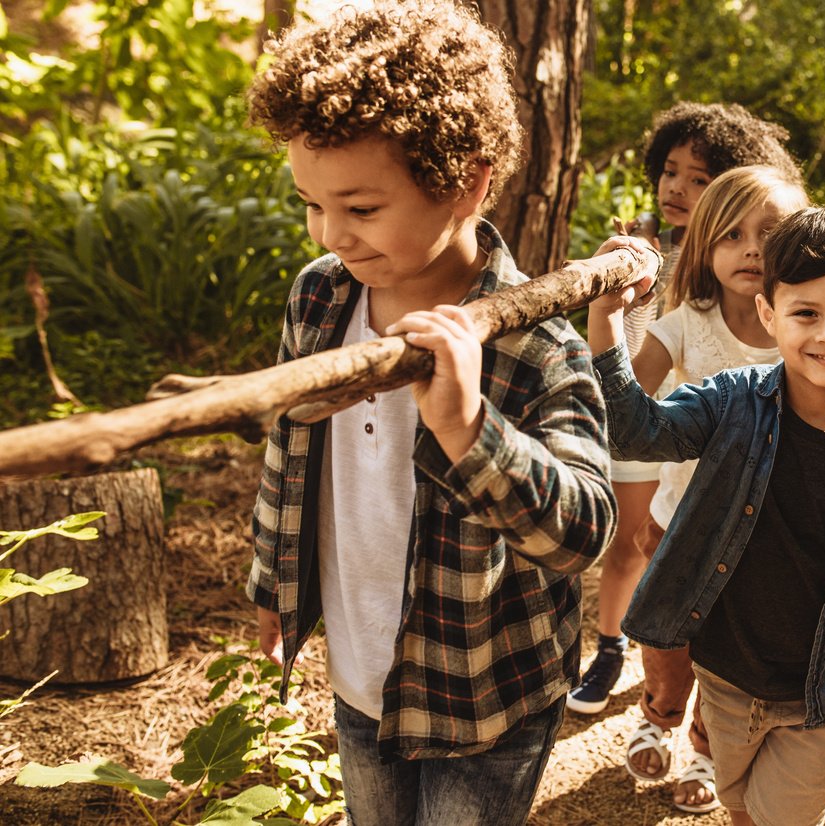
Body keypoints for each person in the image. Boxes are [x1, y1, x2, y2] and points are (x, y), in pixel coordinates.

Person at [243, 3, 616, 824]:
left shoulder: (534, 345)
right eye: (312, 203)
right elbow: (290, 442)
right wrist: (275, 578)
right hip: (361, 668)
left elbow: (584, 532)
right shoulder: (319, 296)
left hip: (487, 692)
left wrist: (467, 426)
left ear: (469, 181)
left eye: (362, 209)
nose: (333, 232)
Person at [590, 205, 825, 826]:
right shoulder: (732, 404)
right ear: (770, 315)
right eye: (806, 313)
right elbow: (635, 433)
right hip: (726, 673)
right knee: (741, 805)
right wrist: (609, 317)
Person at [570, 102, 804, 730]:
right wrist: (611, 303)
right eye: (670, 171)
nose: (678, 187)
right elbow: (626, 391)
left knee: (727, 637)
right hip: (668, 465)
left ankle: (705, 739)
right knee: (641, 566)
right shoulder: (644, 246)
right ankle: (636, 676)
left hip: (755, 518)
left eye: (699, 179)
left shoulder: (802, 324)